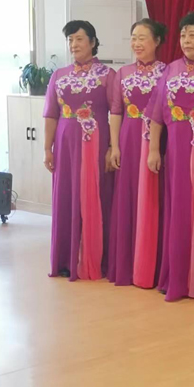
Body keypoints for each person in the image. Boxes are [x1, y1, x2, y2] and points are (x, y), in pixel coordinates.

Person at [148, 6, 194, 301]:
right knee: (179, 208)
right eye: (183, 35)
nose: (186, 41)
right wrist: (154, 149)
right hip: (176, 148)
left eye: (193, 35)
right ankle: (179, 276)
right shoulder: (171, 69)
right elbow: (156, 113)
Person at [43, 20, 116, 281]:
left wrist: (112, 147)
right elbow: (51, 114)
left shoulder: (108, 75)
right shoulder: (59, 75)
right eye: (70, 40)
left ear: (93, 42)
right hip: (65, 145)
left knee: (97, 196)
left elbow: (116, 113)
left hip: (96, 143)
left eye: (79, 39)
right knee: (66, 196)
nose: (74, 45)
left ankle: (96, 258)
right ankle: (66, 259)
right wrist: (47, 148)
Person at [107, 19, 168, 288]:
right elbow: (116, 111)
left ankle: (153, 265)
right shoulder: (123, 73)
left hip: (158, 139)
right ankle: (129, 264)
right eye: (133, 37)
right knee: (129, 196)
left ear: (157, 41)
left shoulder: (167, 71)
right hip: (129, 138)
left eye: (143, 37)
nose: (137, 43)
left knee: (156, 197)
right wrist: (114, 145)